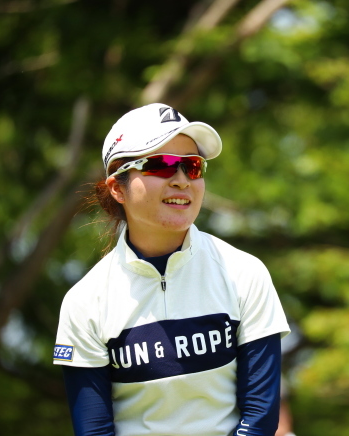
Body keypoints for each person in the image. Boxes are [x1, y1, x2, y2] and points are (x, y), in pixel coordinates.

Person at [53, 103, 290, 436]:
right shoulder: (84, 302)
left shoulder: (245, 273)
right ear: (118, 188)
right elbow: (94, 431)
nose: (181, 180)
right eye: (160, 165)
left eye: (192, 166)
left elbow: (260, 418)